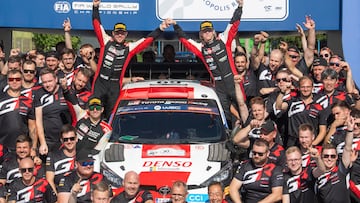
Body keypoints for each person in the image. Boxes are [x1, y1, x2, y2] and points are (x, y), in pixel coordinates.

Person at [91, 0, 170, 119]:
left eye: (122, 33)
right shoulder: (106, 41)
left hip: (114, 85)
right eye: (117, 33)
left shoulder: (129, 47)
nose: (119, 35)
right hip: (100, 83)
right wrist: (95, 7)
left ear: (126, 34)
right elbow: (97, 25)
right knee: (94, 110)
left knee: (112, 115)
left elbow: (146, 41)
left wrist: (161, 28)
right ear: (113, 33)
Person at [170, 0, 244, 128]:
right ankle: (228, 138)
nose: (208, 33)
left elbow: (233, 24)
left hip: (233, 81)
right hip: (219, 85)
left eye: (209, 30)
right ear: (201, 34)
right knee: (224, 113)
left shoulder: (223, 39)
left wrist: (240, 6)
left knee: (242, 106)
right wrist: (176, 25)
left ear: (214, 31)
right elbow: (186, 41)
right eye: (205, 31)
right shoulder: (201, 49)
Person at [275, 76, 328, 147]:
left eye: (308, 87)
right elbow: (279, 107)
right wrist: (282, 93)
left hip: (310, 144)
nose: (305, 89)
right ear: (299, 88)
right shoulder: (292, 101)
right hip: (292, 144)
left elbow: (323, 131)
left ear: (313, 88)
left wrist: (313, 144)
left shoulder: (319, 106)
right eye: (303, 87)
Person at [315, 114, 356, 203]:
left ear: (337, 157)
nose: (329, 159)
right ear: (321, 157)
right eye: (326, 156)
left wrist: (350, 130)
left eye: (332, 156)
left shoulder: (341, 170)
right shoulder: (317, 175)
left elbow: (347, 148)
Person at [229, 139, 283, 203]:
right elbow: (233, 188)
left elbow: (277, 195)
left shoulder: (275, 168)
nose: (256, 156)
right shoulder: (245, 165)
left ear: (267, 153)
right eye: (254, 153)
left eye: (260, 154)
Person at [34, 68, 71, 155]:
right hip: (49, 140)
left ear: (56, 79)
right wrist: (43, 143)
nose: (47, 85)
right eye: (44, 82)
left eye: (50, 81)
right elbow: (38, 121)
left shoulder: (64, 91)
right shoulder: (39, 94)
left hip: (67, 139)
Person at [46, 124, 77, 194]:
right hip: (60, 193)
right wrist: (57, 197)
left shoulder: (82, 155)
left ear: (76, 138)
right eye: (66, 139)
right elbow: (49, 180)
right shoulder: (53, 156)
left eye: (72, 138)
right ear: (62, 141)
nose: (69, 142)